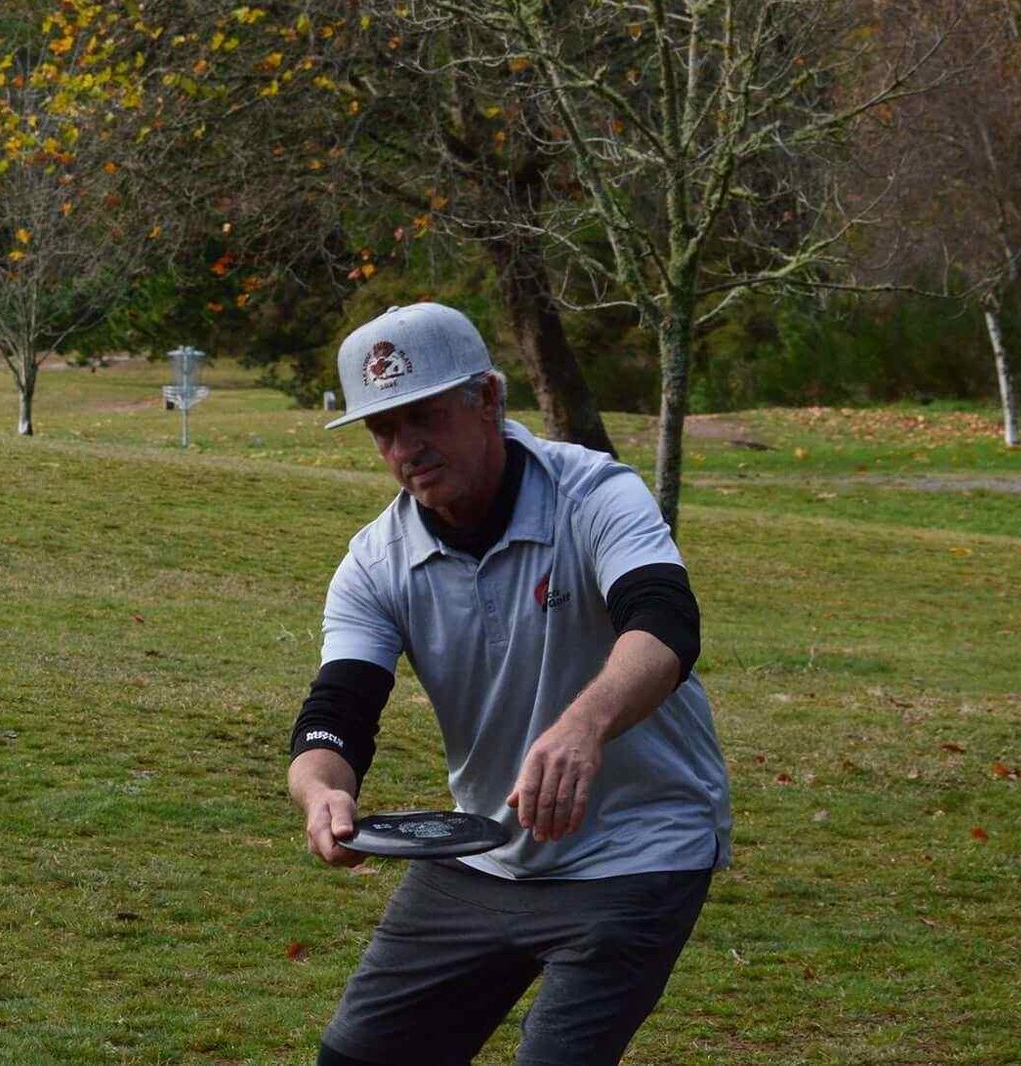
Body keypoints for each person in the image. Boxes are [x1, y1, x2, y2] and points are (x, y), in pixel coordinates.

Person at [288, 302, 732, 1066]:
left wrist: (582, 725)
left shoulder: (596, 494)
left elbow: (665, 624)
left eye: (422, 417)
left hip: (639, 846)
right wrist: (322, 790)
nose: (405, 448)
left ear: (487, 398)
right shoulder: (375, 562)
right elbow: (338, 710)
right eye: (383, 431)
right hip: (485, 848)